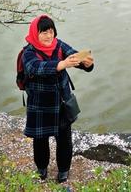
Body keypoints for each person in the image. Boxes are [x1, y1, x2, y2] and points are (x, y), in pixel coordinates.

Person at [21, 15, 94, 184]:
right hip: (39, 106)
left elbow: (73, 56)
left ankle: (63, 171)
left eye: (51, 31)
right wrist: (61, 64)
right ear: (35, 33)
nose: (49, 35)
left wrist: (86, 63)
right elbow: (36, 67)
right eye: (44, 32)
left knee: (64, 139)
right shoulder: (28, 52)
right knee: (40, 140)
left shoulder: (58, 45)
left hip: (61, 103)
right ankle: (41, 168)